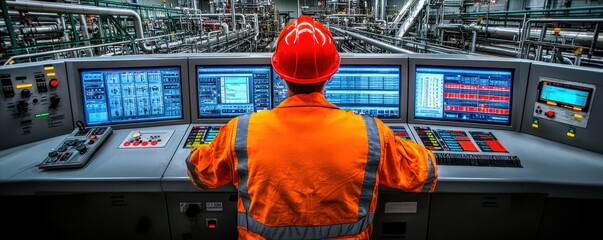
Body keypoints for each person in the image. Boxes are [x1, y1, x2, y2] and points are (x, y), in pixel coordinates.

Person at [186, 15, 438, 240]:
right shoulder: (371, 134)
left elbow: (200, 173)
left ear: (280, 74)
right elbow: (424, 174)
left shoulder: (240, 131)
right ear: (331, 73)